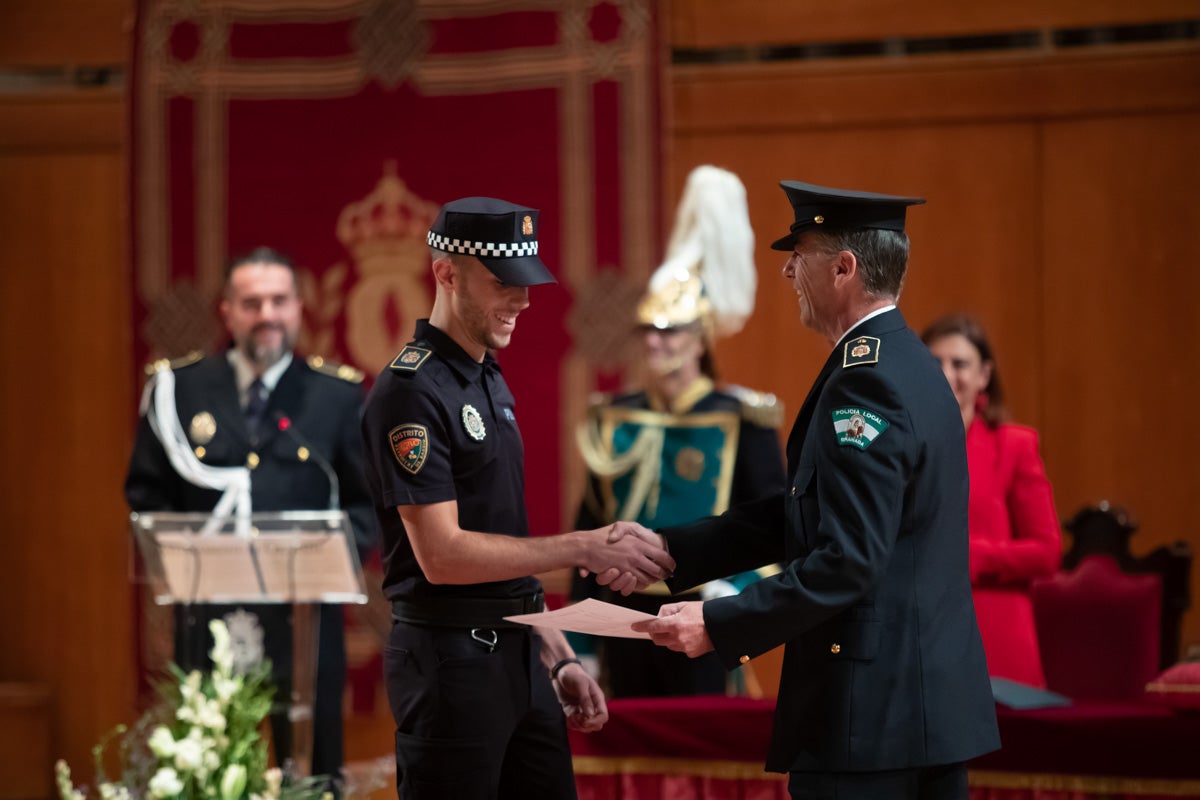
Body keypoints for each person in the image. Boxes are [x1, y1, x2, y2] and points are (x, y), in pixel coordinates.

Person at [619, 180, 1001, 800]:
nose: (788, 272)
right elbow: (815, 507)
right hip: (918, 713)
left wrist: (720, 622)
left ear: (844, 269)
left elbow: (849, 557)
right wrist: (673, 551)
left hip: (869, 721)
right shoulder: (910, 364)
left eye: (799, 256)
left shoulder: (866, 381)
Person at [359, 196, 675, 799]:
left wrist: (557, 655)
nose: (524, 300)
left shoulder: (485, 374)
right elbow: (443, 556)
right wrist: (582, 546)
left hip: (519, 654)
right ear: (447, 274)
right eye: (503, 283)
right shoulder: (411, 391)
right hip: (451, 665)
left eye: (526, 282)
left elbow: (501, 537)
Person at [125, 246, 378, 779]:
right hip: (209, 622)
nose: (267, 314)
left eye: (279, 301)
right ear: (227, 311)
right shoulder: (181, 389)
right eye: (252, 303)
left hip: (304, 623)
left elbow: (366, 503)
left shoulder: (336, 395)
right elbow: (146, 494)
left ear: (299, 308)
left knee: (311, 776)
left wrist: (326, 563)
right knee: (208, 772)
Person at [573, 165, 786, 698]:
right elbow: (590, 531)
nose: (654, 343)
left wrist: (732, 595)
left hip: (702, 619)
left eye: (669, 332)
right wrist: (582, 645)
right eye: (648, 330)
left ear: (700, 338)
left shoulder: (743, 419)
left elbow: (778, 530)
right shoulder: (613, 417)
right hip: (621, 620)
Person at [922, 313, 1062, 688]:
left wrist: (972, 556)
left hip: (995, 640)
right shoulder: (899, 445)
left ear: (983, 375)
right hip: (920, 638)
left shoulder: (1015, 446)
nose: (946, 374)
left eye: (960, 364)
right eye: (934, 363)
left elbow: (1047, 551)